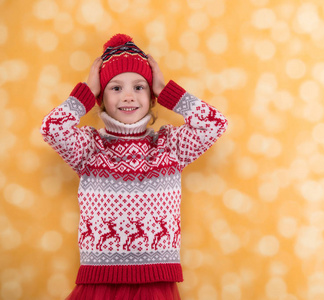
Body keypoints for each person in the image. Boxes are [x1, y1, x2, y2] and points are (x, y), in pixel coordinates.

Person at [40, 33, 228, 300]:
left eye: (139, 87)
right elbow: (52, 129)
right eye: (116, 88)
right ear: (101, 98)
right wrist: (86, 92)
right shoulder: (90, 147)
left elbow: (215, 124)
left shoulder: (170, 145)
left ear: (152, 97)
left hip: (156, 282)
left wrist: (167, 92)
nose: (128, 96)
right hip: (99, 281)